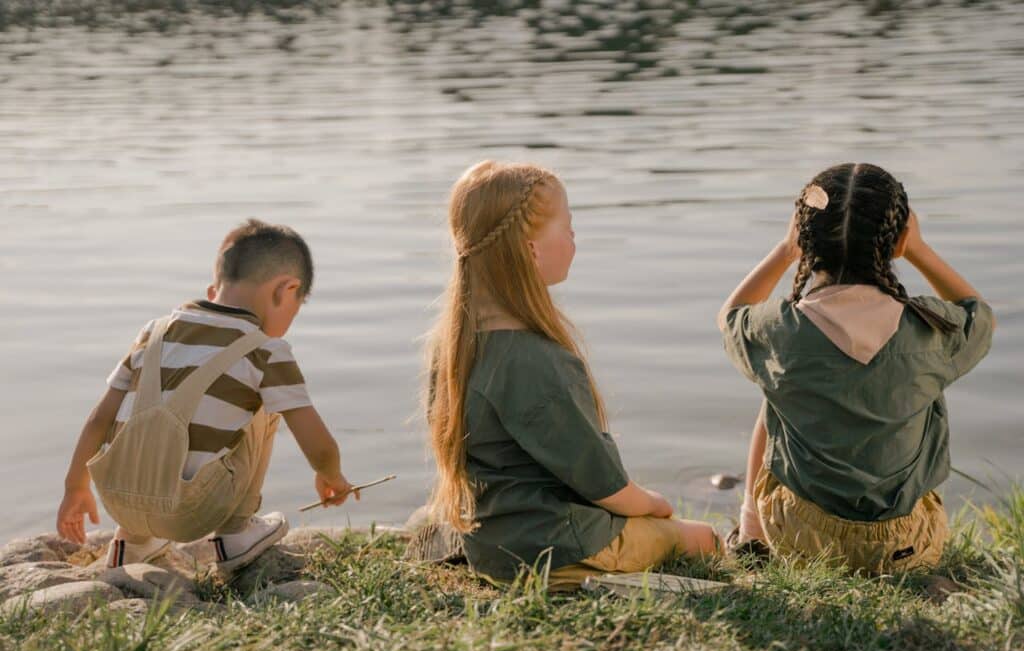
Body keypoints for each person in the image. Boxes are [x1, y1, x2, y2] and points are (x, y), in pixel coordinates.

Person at [426, 160, 720, 588]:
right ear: (530, 249)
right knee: (704, 537)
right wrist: (654, 504)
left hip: (491, 547)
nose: (574, 237)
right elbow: (606, 488)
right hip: (555, 547)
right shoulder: (537, 359)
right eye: (568, 227)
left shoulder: (453, 348)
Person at [720, 163, 994, 573]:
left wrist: (784, 249)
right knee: (924, 378)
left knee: (775, 388)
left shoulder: (781, 330)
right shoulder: (931, 328)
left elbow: (732, 315)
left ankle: (752, 534)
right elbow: (980, 315)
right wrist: (918, 249)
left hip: (801, 541)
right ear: (896, 240)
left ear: (805, 237)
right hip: (908, 547)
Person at [56, 219, 358, 571]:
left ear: (214, 289)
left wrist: (75, 488)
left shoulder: (153, 333)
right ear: (285, 291)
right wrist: (331, 475)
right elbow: (317, 444)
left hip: (118, 500)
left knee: (146, 403)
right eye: (296, 306)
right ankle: (235, 534)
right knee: (268, 406)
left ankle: (131, 541)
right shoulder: (266, 352)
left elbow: (99, 419)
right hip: (193, 510)